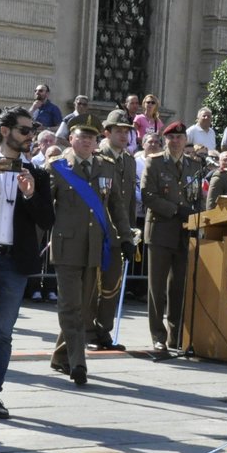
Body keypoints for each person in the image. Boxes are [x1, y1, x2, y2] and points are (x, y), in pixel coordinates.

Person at [0, 105, 54, 419]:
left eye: (31, 130)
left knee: (2, 333)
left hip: (15, 263)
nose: (30, 136)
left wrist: (30, 195)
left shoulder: (37, 174)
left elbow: (48, 218)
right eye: (24, 130)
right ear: (5, 131)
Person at [48, 117, 113, 385]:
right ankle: (78, 363)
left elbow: (116, 205)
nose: (86, 141)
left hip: (94, 246)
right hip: (66, 246)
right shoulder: (58, 167)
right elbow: (44, 207)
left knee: (84, 309)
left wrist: (123, 234)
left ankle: (60, 357)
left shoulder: (106, 167)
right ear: (71, 139)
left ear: (97, 142)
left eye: (91, 137)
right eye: (81, 136)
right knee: (70, 306)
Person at [141, 120, 202, 355]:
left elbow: (198, 198)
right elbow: (148, 195)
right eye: (171, 138)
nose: (175, 141)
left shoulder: (194, 166)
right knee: (157, 287)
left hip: (185, 232)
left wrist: (198, 217)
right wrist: (176, 209)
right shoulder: (155, 163)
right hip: (160, 230)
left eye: (179, 137)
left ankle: (177, 336)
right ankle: (158, 336)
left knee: (179, 286)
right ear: (165, 140)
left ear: (185, 140)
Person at [89, 108, 138, 351]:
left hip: (119, 233)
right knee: (92, 284)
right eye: (118, 130)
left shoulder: (129, 160)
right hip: (98, 231)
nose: (123, 135)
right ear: (106, 133)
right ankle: (88, 329)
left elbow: (126, 203)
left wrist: (129, 233)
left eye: (127, 131)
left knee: (112, 286)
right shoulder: (98, 157)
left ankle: (103, 330)